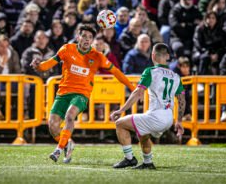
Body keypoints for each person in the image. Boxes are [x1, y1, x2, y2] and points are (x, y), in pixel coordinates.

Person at [30, 24, 135, 163]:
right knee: (53, 127)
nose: (87, 39)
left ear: (92, 40)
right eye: (84, 36)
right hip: (63, 93)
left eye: (90, 37)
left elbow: (116, 71)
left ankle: (58, 150)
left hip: (81, 94)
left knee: (69, 116)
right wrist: (38, 65)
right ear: (78, 36)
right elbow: (47, 65)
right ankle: (68, 144)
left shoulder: (97, 56)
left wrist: (132, 88)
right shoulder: (67, 49)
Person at [110, 43, 185, 169]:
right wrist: (179, 121)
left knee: (120, 124)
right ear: (167, 56)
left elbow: (137, 93)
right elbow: (182, 100)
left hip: (156, 116)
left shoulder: (151, 71)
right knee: (143, 133)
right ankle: (148, 163)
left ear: (153, 56)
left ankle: (129, 159)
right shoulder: (176, 76)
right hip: (168, 118)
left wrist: (121, 110)